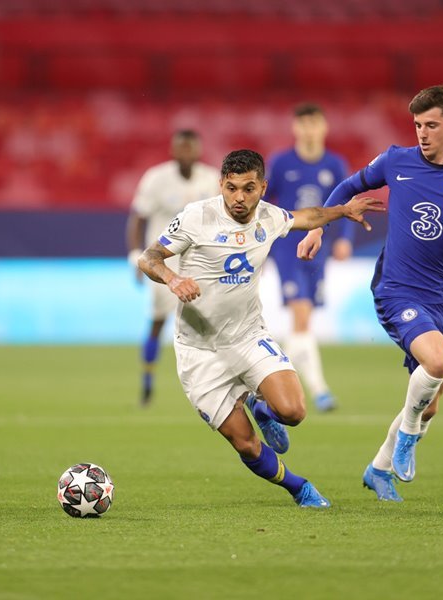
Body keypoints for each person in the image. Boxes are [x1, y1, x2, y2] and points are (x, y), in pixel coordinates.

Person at [138, 149, 383, 508]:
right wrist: (173, 279)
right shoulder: (196, 217)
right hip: (199, 350)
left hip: (248, 336)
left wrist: (343, 211)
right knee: (246, 443)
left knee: (294, 412)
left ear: (263, 188)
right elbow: (149, 257)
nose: (239, 197)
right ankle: (299, 487)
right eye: (231, 188)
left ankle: (262, 407)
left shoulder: (269, 217)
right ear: (221, 184)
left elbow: (307, 216)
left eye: (248, 189)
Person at [298, 84, 443, 502]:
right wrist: (319, 227)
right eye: (417, 125)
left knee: (431, 402)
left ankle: (378, 469)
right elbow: (346, 188)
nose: (422, 133)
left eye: (431, 125)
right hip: (396, 288)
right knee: (438, 361)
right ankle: (407, 438)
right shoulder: (396, 160)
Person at [266, 102, 352, 412]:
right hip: (288, 250)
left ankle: (269, 387)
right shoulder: (280, 163)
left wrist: (344, 238)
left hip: (319, 251)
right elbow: (264, 203)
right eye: (303, 124)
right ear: (295, 128)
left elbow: (346, 204)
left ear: (323, 127)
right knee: (301, 315)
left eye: (314, 123)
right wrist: (261, 243)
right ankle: (319, 390)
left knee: (303, 322)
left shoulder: (335, 165)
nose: (309, 130)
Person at [126, 130, 221, 407]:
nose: (186, 153)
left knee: (209, 325)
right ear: (174, 150)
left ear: (198, 150)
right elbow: (138, 218)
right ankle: (147, 378)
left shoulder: (211, 179)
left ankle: (215, 383)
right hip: (164, 264)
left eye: (191, 148)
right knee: (159, 322)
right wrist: (136, 256)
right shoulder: (156, 179)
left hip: (200, 263)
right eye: (182, 148)